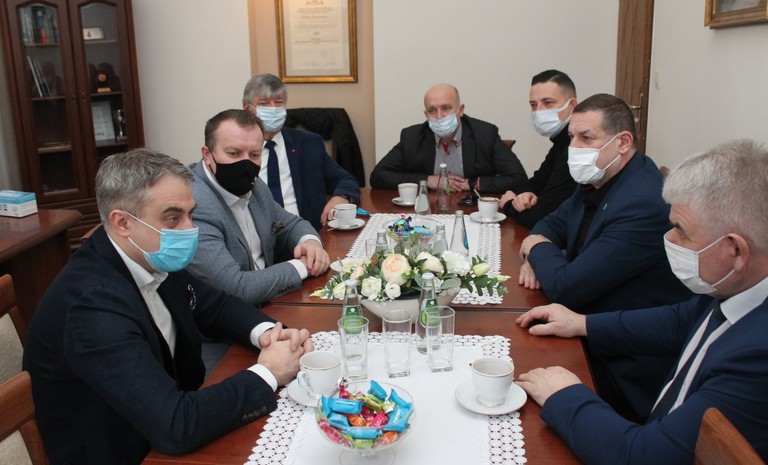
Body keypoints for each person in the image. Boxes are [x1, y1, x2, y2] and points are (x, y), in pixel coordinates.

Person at [22, 149, 313, 465]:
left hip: (163, 418)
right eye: (173, 218)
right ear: (122, 223)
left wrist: (268, 332)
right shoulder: (91, 308)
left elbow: (212, 304)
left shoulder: (149, 252)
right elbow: (176, 425)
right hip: (123, 450)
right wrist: (269, 372)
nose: (189, 229)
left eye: (190, 214)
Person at [515, 139, 768, 465]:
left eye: (681, 230)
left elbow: (641, 456)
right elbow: (680, 320)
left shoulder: (757, 357)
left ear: (736, 250)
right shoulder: (736, 285)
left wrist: (565, 395)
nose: (668, 238)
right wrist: (582, 324)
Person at [518, 93, 691, 313]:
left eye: (586, 137)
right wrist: (535, 255)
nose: (574, 147)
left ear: (623, 142)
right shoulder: (600, 175)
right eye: (571, 137)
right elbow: (551, 223)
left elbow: (566, 289)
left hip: (617, 323)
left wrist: (535, 247)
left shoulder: (642, 205)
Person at [187, 109, 330, 306]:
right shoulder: (193, 204)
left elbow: (290, 224)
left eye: (254, 154)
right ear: (207, 155)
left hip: (273, 301)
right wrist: (302, 266)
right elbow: (237, 288)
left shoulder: (253, 185)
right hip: (234, 317)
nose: (246, 163)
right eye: (234, 153)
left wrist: (311, 243)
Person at [242, 73, 360, 230]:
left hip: (306, 232)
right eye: (264, 103)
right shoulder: (236, 150)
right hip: (256, 235)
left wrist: (340, 198)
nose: (273, 109)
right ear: (247, 108)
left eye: (279, 102)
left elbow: (345, 180)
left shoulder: (308, 143)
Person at [369, 83, 529, 194]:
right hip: (430, 211)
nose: (439, 116)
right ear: (426, 114)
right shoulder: (412, 137)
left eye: (446, 108)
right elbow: (378, 176)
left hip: (473, 210)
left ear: (460, 110)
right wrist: (429, 180)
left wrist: (470, 184)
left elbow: (519, 179)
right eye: (432, 110)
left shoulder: (485, 134)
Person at [499, 69, 577, 229]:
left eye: (548, 103)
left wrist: (508, 204)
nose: (539, 111)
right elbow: (535, 183)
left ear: (572, 106)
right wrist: (525, 195)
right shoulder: (560, 141)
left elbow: (540, 216)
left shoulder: (575, 148)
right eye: (533, 105)